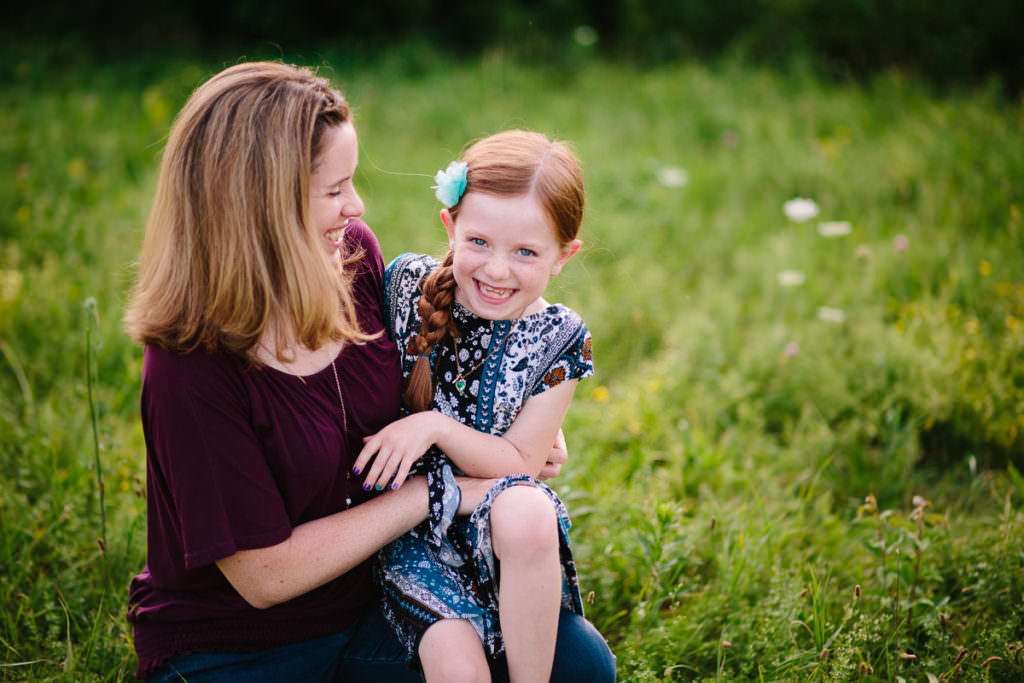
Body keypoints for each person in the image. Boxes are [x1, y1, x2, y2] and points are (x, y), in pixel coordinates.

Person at [122, 61, 613, 682]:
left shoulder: (351, 258)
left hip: (375, 597)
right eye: (334, 190)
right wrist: (438, 493)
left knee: (579, 666)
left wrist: (517, 428)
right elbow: (264, 579)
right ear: (258, 205)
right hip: (244, 646)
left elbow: (443, 343)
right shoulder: (189, 369)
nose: (356, 205)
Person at [353, 130, 614, 682]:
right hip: (409, 538)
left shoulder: (560, 336)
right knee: (456, 665)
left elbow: (520, 465)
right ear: (450, 225)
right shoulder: (405, 286)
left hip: (502, 548)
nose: (496, 271)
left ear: (563, 257)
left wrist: (434, 427)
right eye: (479, 242)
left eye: (525, 252)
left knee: (527, 507)